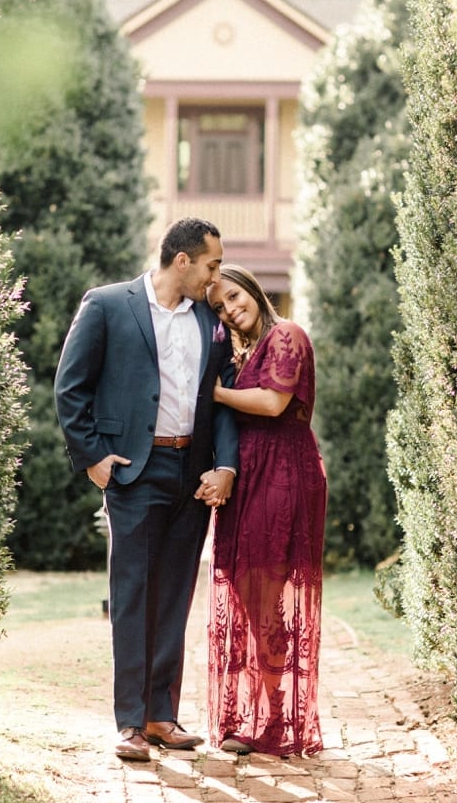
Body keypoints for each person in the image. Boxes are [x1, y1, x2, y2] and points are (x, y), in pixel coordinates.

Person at [55, 218, 240, 762]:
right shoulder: (108, 305)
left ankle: (161, 715)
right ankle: (129, 722)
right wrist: (93, 458)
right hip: (133, 470)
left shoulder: (210, 319)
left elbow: (223, 398)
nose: (217, 276)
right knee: (133, 595)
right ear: (181, 260)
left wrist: (225, 465)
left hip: (193, 475)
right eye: (211, 264)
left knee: (175, 595)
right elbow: (71, 387)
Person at [205, 264, 327, 757]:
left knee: (264, 592)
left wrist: (212, 392)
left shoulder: (286, 335)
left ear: (252, 290)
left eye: (235, 296)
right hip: (248, 475)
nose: (231, 309)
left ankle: (275, 721)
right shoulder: (242, 352)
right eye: (220, 306)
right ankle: (263, 712)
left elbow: (275, 403)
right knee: (247, 593)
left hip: (283, 474)